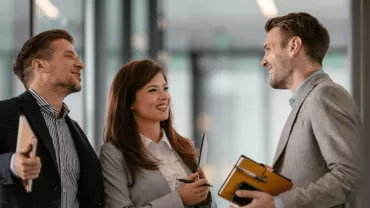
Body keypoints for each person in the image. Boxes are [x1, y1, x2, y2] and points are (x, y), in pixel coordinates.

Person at [231, 13, 361, 208]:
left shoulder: (325, 95)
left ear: (294, 46)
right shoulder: (306, 100)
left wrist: (278, 203)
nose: (263, 60)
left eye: (268, 49)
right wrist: (274, 183)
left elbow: (352, 175)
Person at [0, 29, 105, 208]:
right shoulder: (4, 112)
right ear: (40, 65)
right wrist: (11, 164)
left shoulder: (74, 129)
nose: (80, 64)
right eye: (69, 56)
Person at [99, 59, 217, 208]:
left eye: (165, 88)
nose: (164, 96)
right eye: (152, 90)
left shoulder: (183, 146)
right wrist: (179, 199)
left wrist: (204, 198)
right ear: (130, 101)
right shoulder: (114, 154)